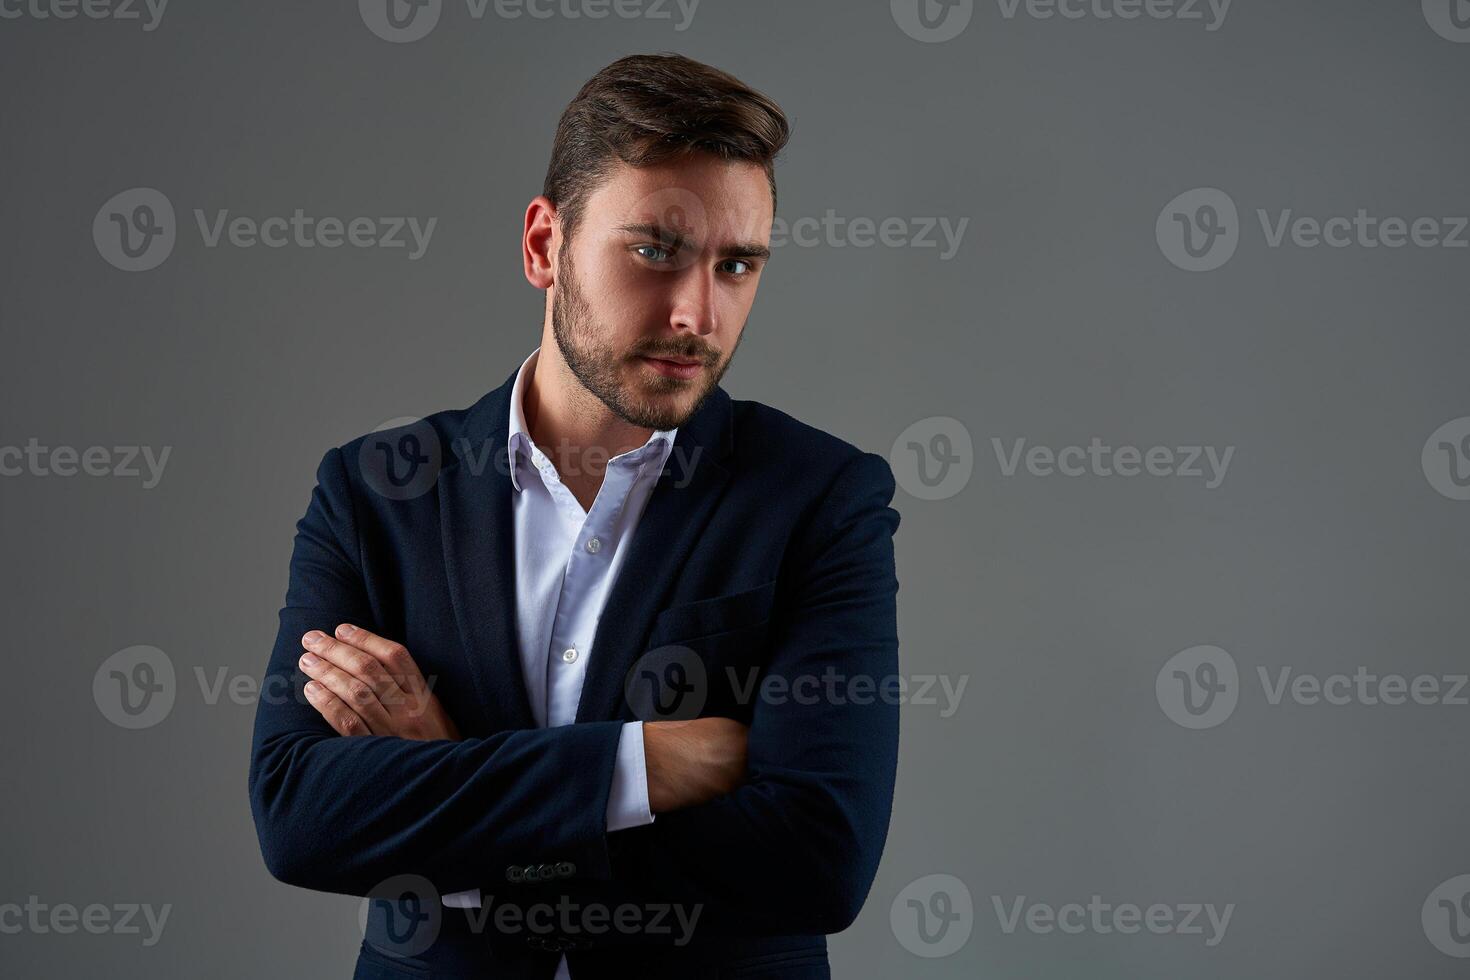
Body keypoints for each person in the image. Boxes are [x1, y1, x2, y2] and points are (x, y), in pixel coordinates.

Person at [248, 52, 901, 979]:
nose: (697, 314)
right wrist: (639, 766)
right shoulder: (375, 492)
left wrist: (452, 775)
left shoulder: (820, 498)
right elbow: (298, 815)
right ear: (544, 247)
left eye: (737, 264)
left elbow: (818, 860)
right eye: (654, 251)